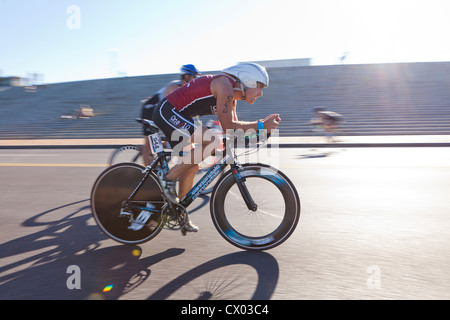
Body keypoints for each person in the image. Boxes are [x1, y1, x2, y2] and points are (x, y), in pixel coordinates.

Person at [152, 62, 280, 233]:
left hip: (180, 115)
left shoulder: (232, 97)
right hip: (167, 111)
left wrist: (262, 132)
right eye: (260, 86)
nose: (261, 93)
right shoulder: (224, 85)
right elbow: (229, 125)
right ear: (249, 80)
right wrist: (261, 125)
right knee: (211, 141)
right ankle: (168, 178)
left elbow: (231, 130)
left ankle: (179, 212)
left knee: (192, 166)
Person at [140, 64, 200, 165]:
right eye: (194, 76)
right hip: (149, 110)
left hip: (161, 113)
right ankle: (149, 176)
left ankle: (162, 147)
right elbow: (179, 111)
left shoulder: (187, 90)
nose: (195, 79)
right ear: (186, 76)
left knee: (164, 142)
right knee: (148, 146)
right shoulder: (174, 87)